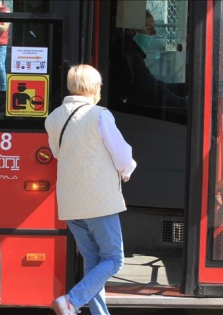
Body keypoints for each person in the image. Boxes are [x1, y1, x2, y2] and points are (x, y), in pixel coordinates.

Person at [45, 64, 137, 315]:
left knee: (93, 261)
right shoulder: (99, 115)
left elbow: (56, 153)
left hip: (70, 203)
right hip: (99, 201)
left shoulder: (53, 117)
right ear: (95, 87)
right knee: (113, 260)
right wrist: (127, 170)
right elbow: (122, 154)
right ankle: (71, 301)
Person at [109, 10, 188, 123]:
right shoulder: (128, 55)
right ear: (131, 30)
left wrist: (185, 89)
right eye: (148, 27)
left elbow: (155, 85)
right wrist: (184, 105)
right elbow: (152, 91)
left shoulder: (130, 52)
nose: (154, 32)